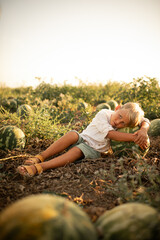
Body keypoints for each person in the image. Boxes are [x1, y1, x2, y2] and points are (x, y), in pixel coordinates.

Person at [17, 102, 150, 177]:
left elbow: (145, 120)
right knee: (72, 134)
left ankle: (39, 167)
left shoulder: (123, 118)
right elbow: (110, 134)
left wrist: (143, 129)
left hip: (93, 149)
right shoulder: (103, 113)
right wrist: (134, 137)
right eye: (119, 116)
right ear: (117, 108)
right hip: (82, 138)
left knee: (76, 151)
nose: (118, 123)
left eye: (123, 124)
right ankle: (40, 157)